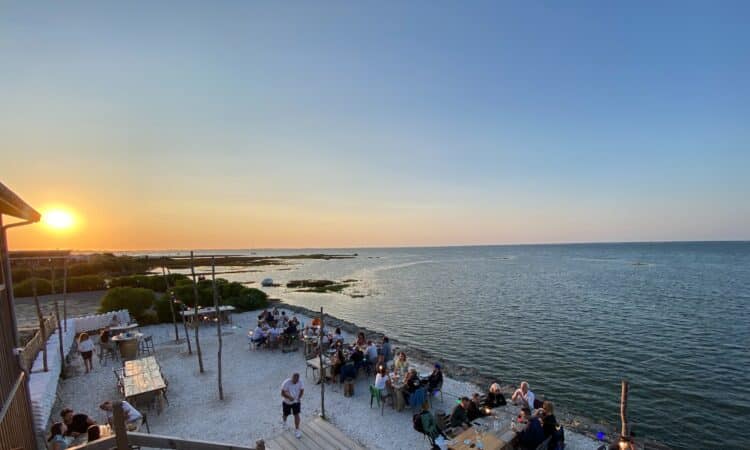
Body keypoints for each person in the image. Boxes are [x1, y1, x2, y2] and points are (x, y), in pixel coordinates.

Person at [281, 373, 304, 439]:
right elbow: (282, 393)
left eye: (297, 380)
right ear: (292, 378)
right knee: (285, 414)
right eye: (294, 380)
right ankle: (284, 423)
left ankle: (297, 430)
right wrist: (289, 397)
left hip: (296, 402)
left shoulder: (300, 382)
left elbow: (302, 390)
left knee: (297, 415)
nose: (295, 382)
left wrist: (299, 398)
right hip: (286, 402)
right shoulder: (286, 383)